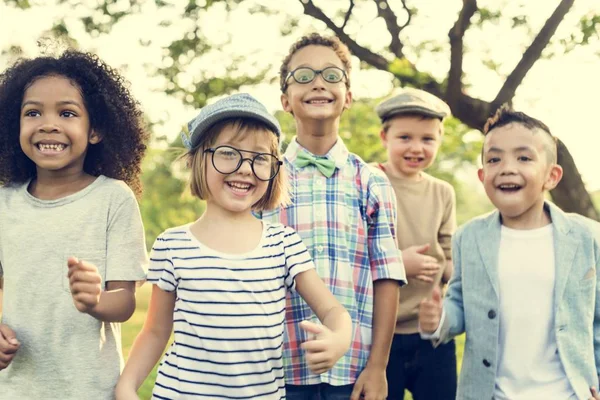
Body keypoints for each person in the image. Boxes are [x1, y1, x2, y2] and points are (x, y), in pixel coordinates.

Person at [115, 93, 352, 400]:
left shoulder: (284, 244)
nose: (244, 168)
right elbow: (156, 331)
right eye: (228, 153)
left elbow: (332, 310)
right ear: (200, 159)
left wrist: (340, 337)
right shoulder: (172, 245)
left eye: (260, 158)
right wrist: (126, 386)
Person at [258, 33, 406, 400]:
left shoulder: (372, 182)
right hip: (275, 370)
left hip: (352, 371)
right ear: (285, 100)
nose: (319, 83)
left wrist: (377, 367)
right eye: (304, 76)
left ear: (349, 96)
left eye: (332, 75)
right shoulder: (262, 178)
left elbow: (386, 277)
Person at [419, 105, 600, 400]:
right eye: (494, 159)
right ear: (482, 175)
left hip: (569, 393)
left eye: (524, 157)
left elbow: (597, 319)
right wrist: (439, 318)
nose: (507, 167)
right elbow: (459, 302)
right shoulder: (469, 236)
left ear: (551, 176)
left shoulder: (587, 236)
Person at [0, 50, 149, 399]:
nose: (48, 124)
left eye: (67, 113)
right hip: (17, 389)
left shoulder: (113, 199)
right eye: (32, 112)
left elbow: (125, 302)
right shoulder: (4, 203)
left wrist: (96, 301)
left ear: (95, 130)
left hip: (90, 388)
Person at [373, 88, 457, 400]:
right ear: (385, 137)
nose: (416, 148)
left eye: (427, 139)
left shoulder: (442, 192)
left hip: (430, 330)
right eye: (405, 138)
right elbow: (352, 252)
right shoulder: (369, 180)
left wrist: (452, 273)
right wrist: (398, 263)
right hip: (381, 332)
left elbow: (448, 254)